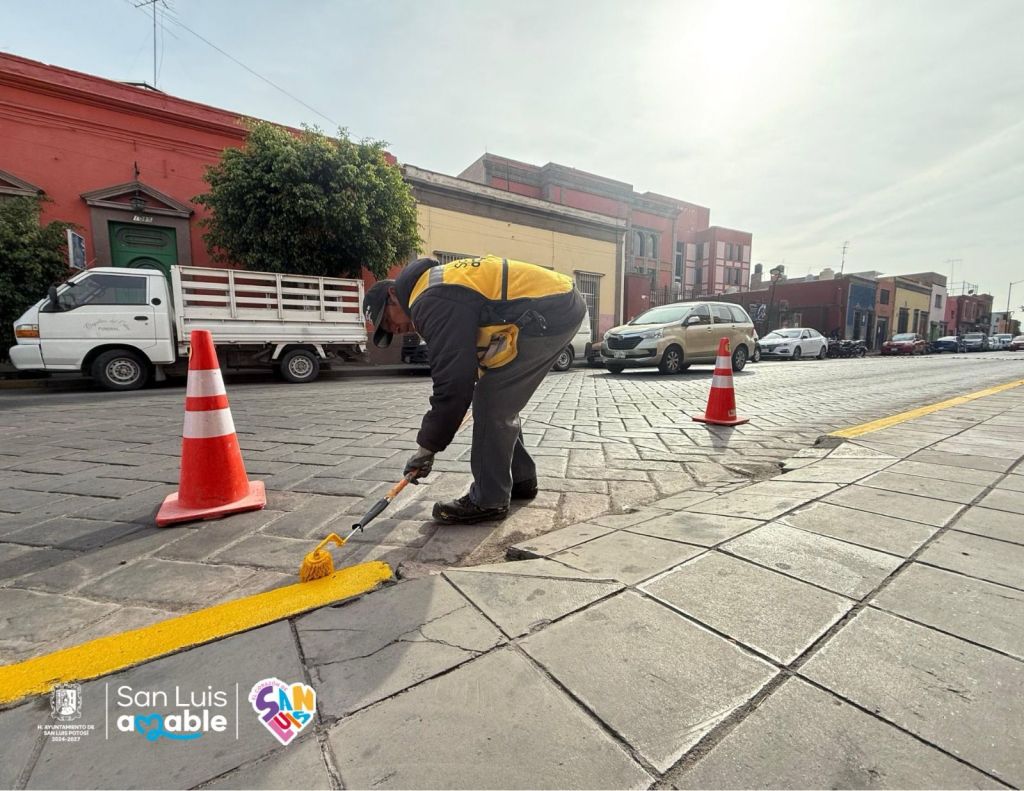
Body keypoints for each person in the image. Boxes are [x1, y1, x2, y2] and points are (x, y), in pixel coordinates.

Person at [363, 255, 586, 524]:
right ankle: (521, 480)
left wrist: (426, 449)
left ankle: (488, 500)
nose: (396, 330)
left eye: (387, 321)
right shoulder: (434, 288)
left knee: (491, 401)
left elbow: (453, 387)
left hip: (551, 311)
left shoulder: (429, 301)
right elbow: (469, 361)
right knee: (497, 396)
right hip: (554, 304)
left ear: (393, 295)